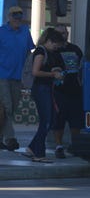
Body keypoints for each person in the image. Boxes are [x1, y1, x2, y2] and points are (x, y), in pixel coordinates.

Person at [24, 27, 65, 162]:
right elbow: (36, 72)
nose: (56, 47)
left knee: (51, 119)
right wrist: (53, 74)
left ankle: (32, 148)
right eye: (55, 44)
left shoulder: (47, 52)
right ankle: (39, 154)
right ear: (49, 41)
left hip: (47, 88)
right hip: (40, 89)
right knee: (46, 121)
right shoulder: (41, 51)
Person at [0, 6, 35, 151]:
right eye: (15, 16)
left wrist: (28, 74)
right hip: (2, 75)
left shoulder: (25, 32)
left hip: (18, 77)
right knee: (7, 107)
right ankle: (10, 138)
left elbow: (29, 53)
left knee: (12, 108)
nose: (17, 19)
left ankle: (1, 138)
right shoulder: (1, 32)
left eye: (20, 17)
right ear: (9, 17)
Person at [52, 24, 84, 159]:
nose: (62, 35)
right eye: (59, 33)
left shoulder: (75, 49)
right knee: (59, 119)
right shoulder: (52, 50)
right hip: (59, 90)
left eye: (64, 33)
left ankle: (75, 145)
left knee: (76, 120)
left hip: (75, 89)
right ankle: (59, 146)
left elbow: (82, 67)